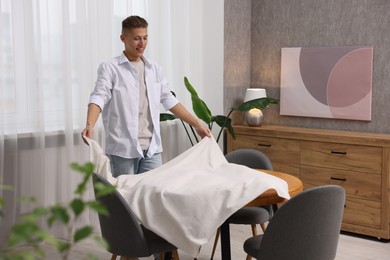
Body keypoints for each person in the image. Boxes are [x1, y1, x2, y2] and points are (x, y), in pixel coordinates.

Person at [81, 15, 211, 178]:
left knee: (152, 196)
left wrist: (196, 123)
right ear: (123, 38)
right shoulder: (110, 68)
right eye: (136, 38)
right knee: (125, 199)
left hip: (152, 150)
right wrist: (89, 124)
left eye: (145, 38)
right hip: (123, 150)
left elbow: (169, 100)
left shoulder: (154, 68)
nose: (142, 43)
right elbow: (99, 97)